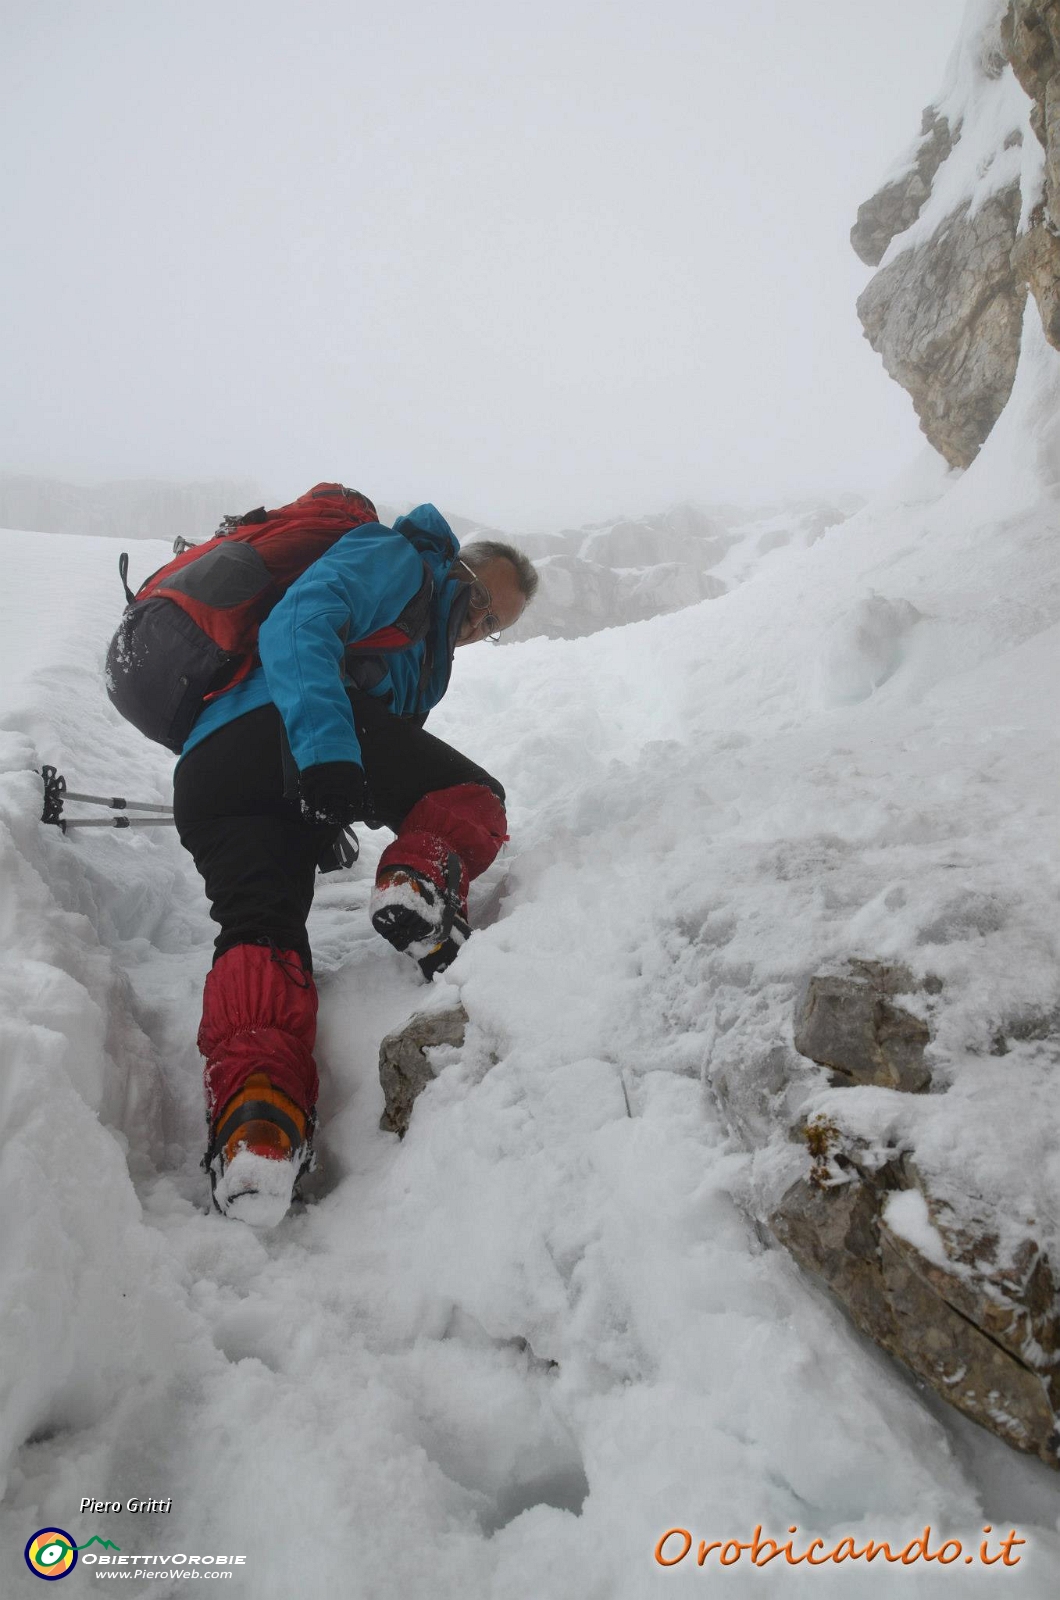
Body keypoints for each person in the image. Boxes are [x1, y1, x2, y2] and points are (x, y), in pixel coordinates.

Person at [171, 501, 538, 1226]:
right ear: (457, 565)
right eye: (481, 600)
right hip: (272, 727)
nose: (478, 623)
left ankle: (258, 1122)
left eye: (495, 626)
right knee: (471, 798)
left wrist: (324, 803)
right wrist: (328, 757)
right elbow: (300, 622)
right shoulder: (398, 560)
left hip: (214, 776)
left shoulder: (421, 646)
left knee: (262, 928)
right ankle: (421, 882)